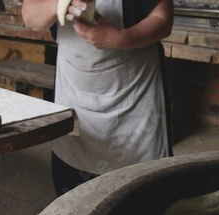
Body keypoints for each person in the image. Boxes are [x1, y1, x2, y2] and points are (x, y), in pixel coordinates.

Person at [22, 0, 174, 195]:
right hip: (73, 93)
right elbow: (30, 18)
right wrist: (59, 4)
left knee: (140, 191)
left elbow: (163, 20)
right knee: (73, 198)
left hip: (134, 95)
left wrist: (119, 39)